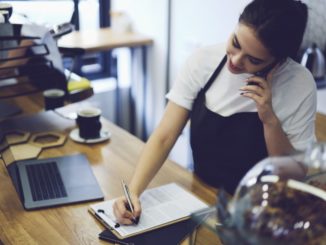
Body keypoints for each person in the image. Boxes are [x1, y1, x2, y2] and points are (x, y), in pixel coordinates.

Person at [113, 0, 316, 225]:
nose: (236, 61)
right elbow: (165, 136)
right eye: (236, 43)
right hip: (201, 196)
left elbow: (293, 174)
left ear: (278, 62)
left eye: (254, 59)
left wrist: (269, 120)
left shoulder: (299, 84)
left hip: (262, 214)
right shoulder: (203, 61)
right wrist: (133, 192)